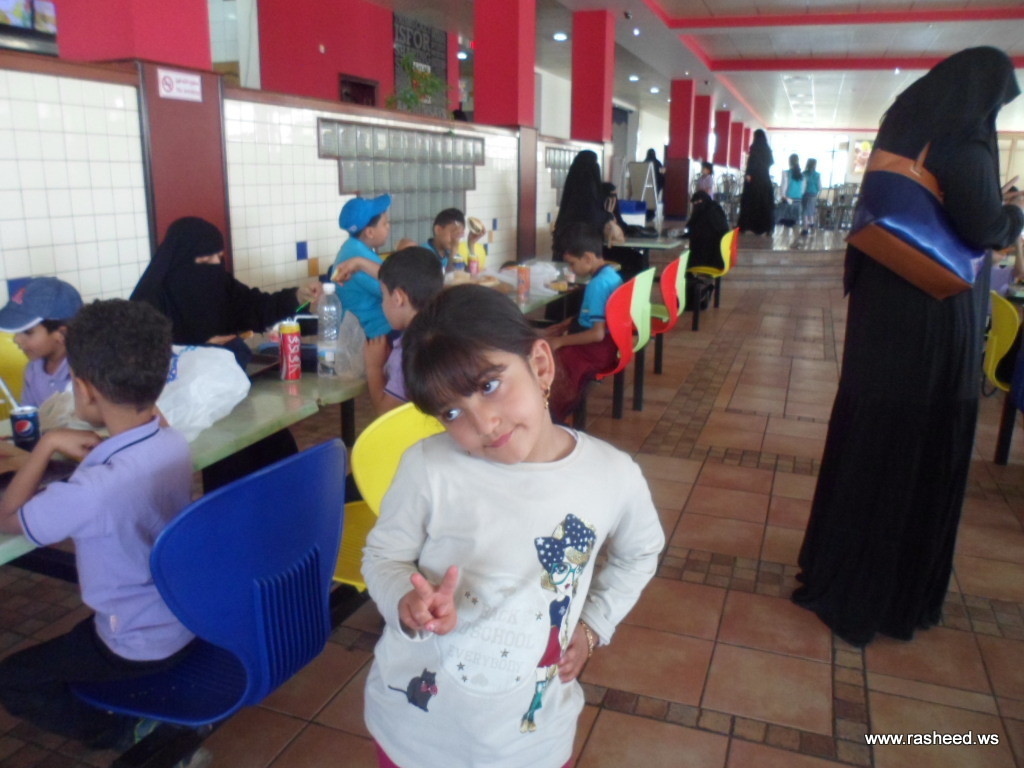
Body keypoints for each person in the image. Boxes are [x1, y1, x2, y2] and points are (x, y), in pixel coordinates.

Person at [362, 284, 663, 768]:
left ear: (540, 365)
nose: (484, 424)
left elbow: (640, 551)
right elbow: (384, 556)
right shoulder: (428, 466)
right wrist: (406, 600)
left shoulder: (612, 475)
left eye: (489, 385)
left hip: (531, 744)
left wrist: (593, 626)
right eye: (452, 412)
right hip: (414, 736)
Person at [792, 47, 1024, 647]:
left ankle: (840, 563)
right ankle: (886, 588)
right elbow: (983, 225)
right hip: (931, 312)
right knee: (912, 440)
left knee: (871, 432)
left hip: (883, 306)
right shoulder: (964, 144)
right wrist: (1014, 215)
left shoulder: (903, 129)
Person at [0, 300, 195, 750]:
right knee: (76, 643)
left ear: (84, 390)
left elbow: (8, 517)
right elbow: (148, 423)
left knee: (14, 679)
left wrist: (47, 444)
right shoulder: (173, 441)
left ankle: (127, 734)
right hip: (184, 615)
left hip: (137, 642)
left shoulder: (90, 491)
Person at [130, 217, 321, 356]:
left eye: (219, 257)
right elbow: (141, 361)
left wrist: (298, 296)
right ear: (181, 260)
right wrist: (198, 350)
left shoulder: (220, 283)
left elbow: (257, 307)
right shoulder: (148, 302)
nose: (216, 264)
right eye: (206, 259)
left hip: (226, 383)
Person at [544, 224, 623, 422]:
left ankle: (553, 416)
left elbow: (597, 333)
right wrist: (566, 324)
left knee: (551, 359)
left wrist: (560, 341)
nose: (571, 269)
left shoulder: (596, 285)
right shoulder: (611, 274)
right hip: (613, 343)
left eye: (572, 264)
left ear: (587, 258)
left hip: (597, 350)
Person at [364, 247, 443, 414]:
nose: (383, 304)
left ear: (398, 298)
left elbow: (386, 413)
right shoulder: (443, 333)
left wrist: (374, 367)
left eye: (384, 296)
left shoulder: (409, 352)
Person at [0, 278, 82, 408]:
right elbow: (30, 413)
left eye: (27, 332)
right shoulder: (33, 370)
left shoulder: (84, 372)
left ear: (62, 334)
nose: (17, 339)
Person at [331, 194, 393, 339]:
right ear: (369, 232)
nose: (389, 227)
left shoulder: (354, 248)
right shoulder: (356, 254)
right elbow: (396, 290)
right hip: (371, 335)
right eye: (385, 223)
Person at [552, 150, 622, 259]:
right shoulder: (597, 198)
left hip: (565, 255)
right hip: (590, 255)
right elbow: (598, 220)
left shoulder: (570, 195)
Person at [737, 129, 775, 237]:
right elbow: (771, 162)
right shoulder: (767, 150)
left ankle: (747, 226)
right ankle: (767, 228)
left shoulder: (754, 149)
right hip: (765, 180)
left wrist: (749, 174)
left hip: (754, 180)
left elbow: (752, 164)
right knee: (765, 204)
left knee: (750, 203)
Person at [777, 153, 804, 229]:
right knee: (795, 224)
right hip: (798, 201)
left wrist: (782, 196)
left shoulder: (786, 173)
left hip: (788, 200)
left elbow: (783, 186)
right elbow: (803, 189)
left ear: (789, 161)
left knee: (785, 223)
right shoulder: (802, 175)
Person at [801, 158, 822, 235]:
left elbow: (802, 186)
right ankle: (812, 224)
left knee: (805, 211)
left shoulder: (803, 174)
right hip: (814, 195)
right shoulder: (817, 175)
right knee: (811, 210)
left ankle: (805, 229)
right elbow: (820, 187)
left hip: (805, 194)